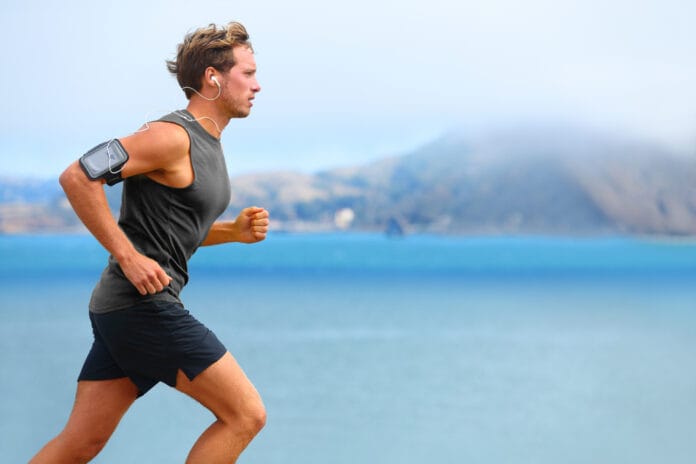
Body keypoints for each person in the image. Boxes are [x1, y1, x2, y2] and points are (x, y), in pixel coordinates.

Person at [30, 21, 268, 463]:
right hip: (143, 306)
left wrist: (232, 232)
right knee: (245, 415)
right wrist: (128, 255)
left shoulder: (209, 143)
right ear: (213, 77)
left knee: (81, 443)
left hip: (121, 309)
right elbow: (78, 176)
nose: (258, 85)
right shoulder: (170, 136)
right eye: (248, 73)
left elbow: (171, 233)